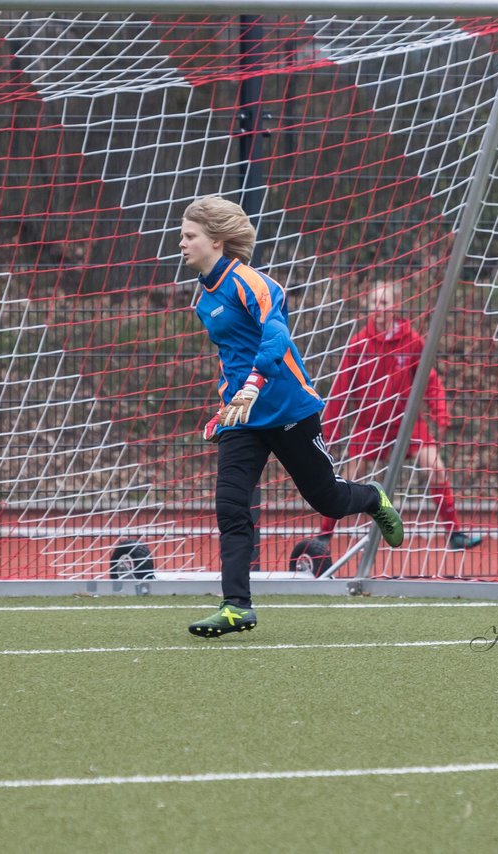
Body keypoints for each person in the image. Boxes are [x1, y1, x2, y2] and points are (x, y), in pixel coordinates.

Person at [180, 196, 404, 637]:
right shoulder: (203, 301)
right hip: (243, 419)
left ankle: (373, 497)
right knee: (230, 506)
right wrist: (225, 408)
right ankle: (236, 606)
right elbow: (231, 358)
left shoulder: (253, 283)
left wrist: (255, 383)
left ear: (218, 241)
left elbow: (275, 334)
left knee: (328, 500)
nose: (181, 243)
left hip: (288, 411)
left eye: (190, 236)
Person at [317, 280, 482, 551]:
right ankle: (323, 536)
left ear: (395, 306)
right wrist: (330, 432)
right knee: (348, 477)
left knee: (436, 467)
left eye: (384, 303)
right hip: (369, 426)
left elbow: (428, 379)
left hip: (407, 424)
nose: (378, 309)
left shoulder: (412, 340)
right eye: (374, 303)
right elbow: (341, 389)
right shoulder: (358, 345)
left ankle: (455, 534)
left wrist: (440, 413)